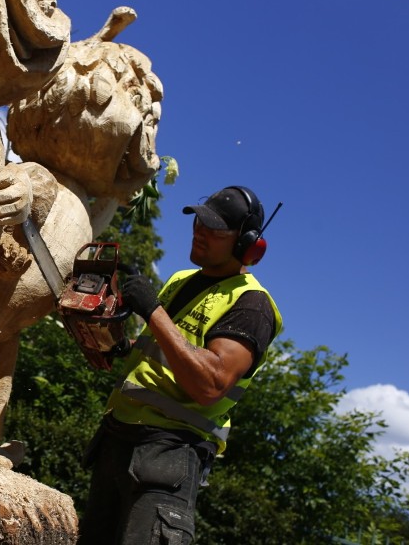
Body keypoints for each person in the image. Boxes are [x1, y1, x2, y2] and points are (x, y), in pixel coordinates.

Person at [77, 185, 283, 545]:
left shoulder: (251, 304)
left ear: (247, 245)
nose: (200, 232)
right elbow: (163, 354)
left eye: (214, 229)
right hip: (116, 440)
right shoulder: (179, 281)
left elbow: (211, 383)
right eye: (199, 223)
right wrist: (116, 345)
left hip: (168, 454)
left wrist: (152, 309)